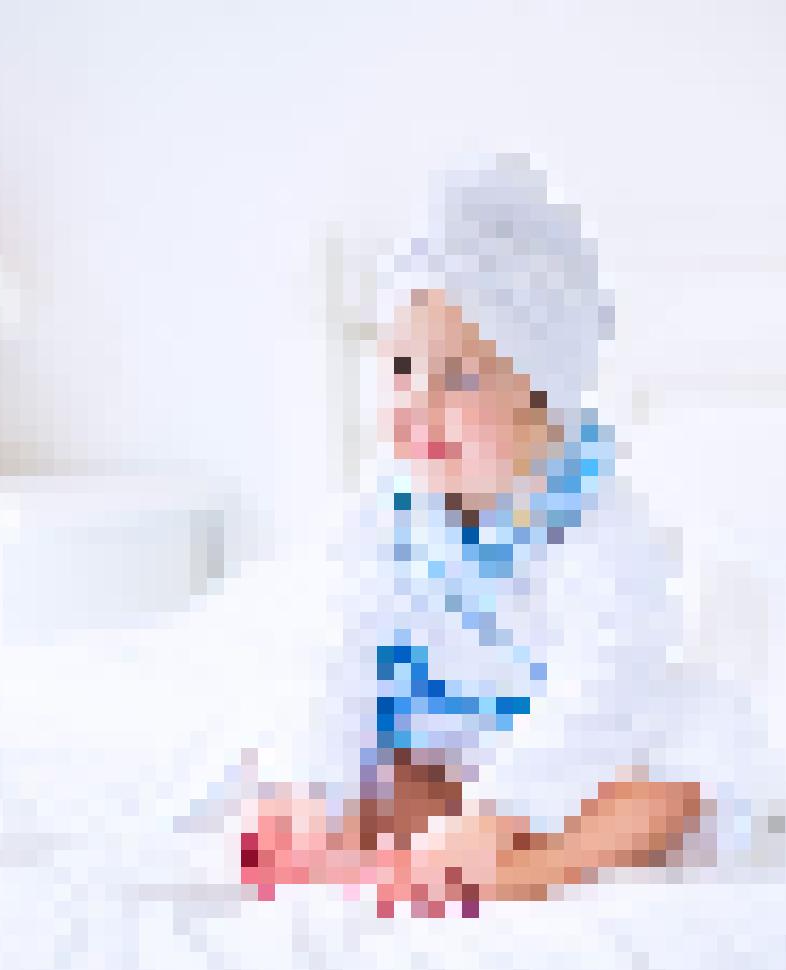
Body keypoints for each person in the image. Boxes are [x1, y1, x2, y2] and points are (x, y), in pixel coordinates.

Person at [241, 158, 708, 916]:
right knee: (331, 756)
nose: (417, 404)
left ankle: (535, 867)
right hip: (443, 740)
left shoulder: (593, 525)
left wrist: (505, 810)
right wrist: (309, 791)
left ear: (542, 396)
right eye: (401, 368)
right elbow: (336, 651)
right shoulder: (383, 518)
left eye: (459, 379)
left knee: (682, 770)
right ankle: (386, 851)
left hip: (569, 745)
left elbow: (604, 679)